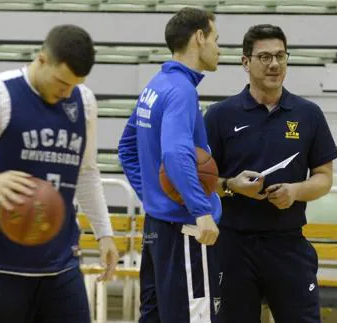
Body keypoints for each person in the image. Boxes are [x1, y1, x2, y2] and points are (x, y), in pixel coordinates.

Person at [0, 24, 119, 323]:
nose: (66, 93)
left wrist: (105, 233)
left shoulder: (84, 101)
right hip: (0, 263)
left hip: (61, 261)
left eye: (74, 85)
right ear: (41, 59)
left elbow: (85, 172)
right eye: (61, 82)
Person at [204, 24, 337, 323]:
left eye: (280, 56)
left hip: (288, 244)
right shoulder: (219, 115)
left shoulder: (308, 114)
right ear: (245, 61)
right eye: (264, 57)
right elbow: (202, 180)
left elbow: (324, 177)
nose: (274, 64)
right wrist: (232, 186)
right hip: (232, 246)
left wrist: (295, 192)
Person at [118, 7, 222, 323]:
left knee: (154, 316)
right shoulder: (182, 91)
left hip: (157, 226)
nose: (219, 48)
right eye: (217, 39)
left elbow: (126, 149)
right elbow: (176, 155)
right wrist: (201, 210)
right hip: (185, 230)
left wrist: (154, 197)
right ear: (200, 37)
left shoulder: (156, 84)